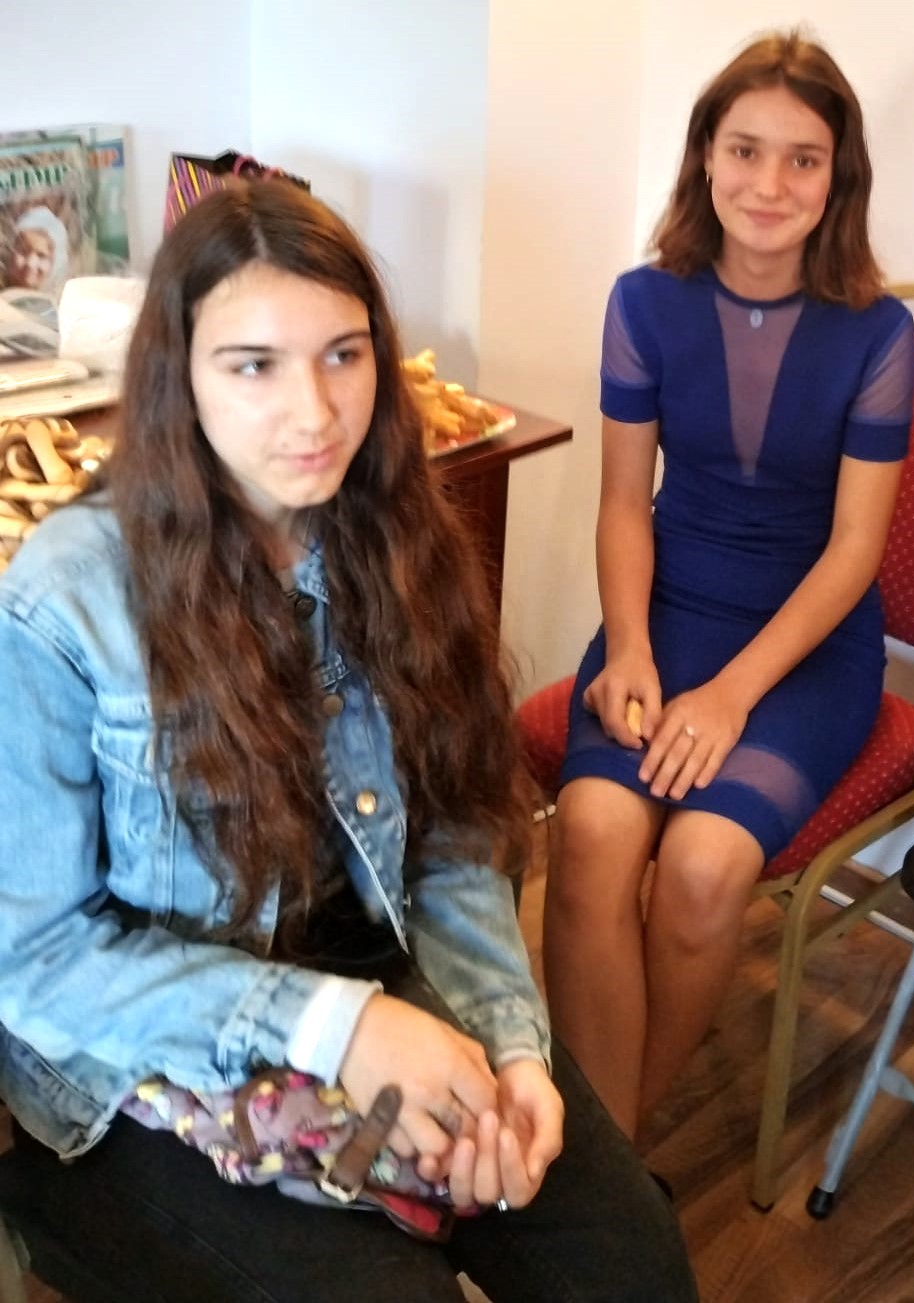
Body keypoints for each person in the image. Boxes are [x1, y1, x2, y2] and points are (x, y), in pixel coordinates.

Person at [0, 181, 695, 1303]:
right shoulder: (64, 601)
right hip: (133, 1067)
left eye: (343, 354)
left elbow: (455, 839)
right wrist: (337, 1028)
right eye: (255, 365)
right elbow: (32, 959)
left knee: (630, 1264)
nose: (315, 411)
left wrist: (510, 1047)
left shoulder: (398, 535)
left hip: (380, 971)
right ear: (179, 377)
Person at [542, 29, 914, 1139]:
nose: (769, 184)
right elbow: (625, 502)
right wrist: (630, 647)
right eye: (745, 150)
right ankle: (596, 1169)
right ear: (706, 154)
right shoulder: (642, 302)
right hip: (663, 618)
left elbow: (854, 551)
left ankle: (603, 1162)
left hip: (806, 651)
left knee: (703, 867)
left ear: (838, 177)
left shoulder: (880, 332)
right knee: (592, 832)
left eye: (803, 159)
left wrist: (730, 697)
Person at [5, 205, 67, 293]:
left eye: (41, 256)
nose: (30, 263)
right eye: (24, 252)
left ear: (55, 262)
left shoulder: (65, 298)